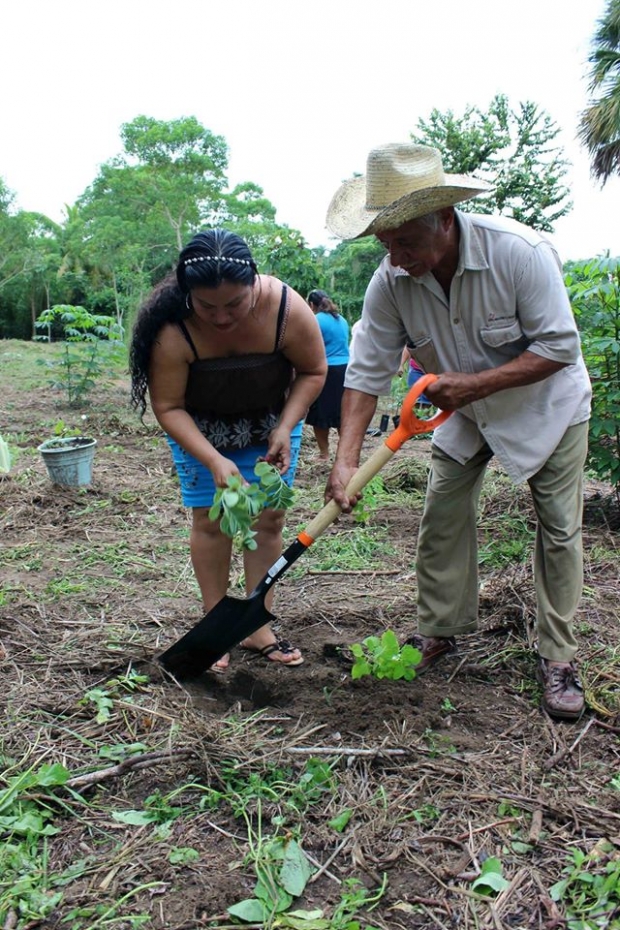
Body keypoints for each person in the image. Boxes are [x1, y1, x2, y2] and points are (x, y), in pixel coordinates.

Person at [324, 143, 592, 721]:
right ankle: (440, 631)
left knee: (559, 528)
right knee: (441, 516)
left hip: (548, 408)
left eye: (407, 243)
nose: (395, 259)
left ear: (444, 219)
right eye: (385, 245)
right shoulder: (391, 281)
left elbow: (560, 348)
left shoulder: (519, 253)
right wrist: (345, 460)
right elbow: (367, 373)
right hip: (462, 413)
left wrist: (470, 386)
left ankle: (559, 657)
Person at [130, 229, 327, 670]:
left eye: (234, 304)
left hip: (271, 422)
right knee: (211, 521)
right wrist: (214, 460)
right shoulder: (173, 329)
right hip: (201, 430)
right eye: (207, 307)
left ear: (255, 283)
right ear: (187, 296)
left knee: (269, 517)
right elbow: (167, 405)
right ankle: (216, 626)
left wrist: (287, 425)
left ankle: (256, 628)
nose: (221, 318)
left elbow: (313, 371)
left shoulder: (286, 310)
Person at [305, 289, 350, 460]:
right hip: (345, 369)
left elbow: (309, 347)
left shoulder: (315, 320)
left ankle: (324, 454)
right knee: (341, 412)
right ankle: (344, 453)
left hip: (327, 370)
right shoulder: (342, 319)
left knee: (320, 415)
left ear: (311, 304)